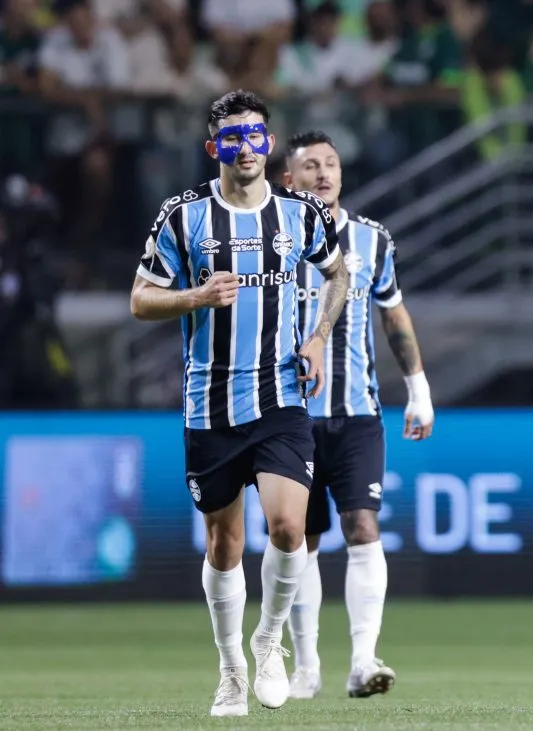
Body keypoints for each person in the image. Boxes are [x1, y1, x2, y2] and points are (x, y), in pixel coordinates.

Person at [129, 90, 349, 718]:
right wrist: (196, 298)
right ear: (213, 149)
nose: (246, 148)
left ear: (269, 144)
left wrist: (317, 336)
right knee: (225, 545)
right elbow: (141, 299)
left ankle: (269, 640)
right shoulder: (183, 216)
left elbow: (338, 274)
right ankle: (229, 671)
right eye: (232, 139)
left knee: (287, 527)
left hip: (281, 395)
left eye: (256, 136)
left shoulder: (301, 215)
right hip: (210, 402)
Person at [281, 130, 435, 700]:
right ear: (287, 181)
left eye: (331, 164)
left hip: (357, 414)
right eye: (309, 166)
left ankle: (363, 660)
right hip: (287, 417)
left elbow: (393, 315)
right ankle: (305, 667)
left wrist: (418, 389)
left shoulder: (371, 240)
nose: (323, 173)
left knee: (363, 527)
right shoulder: (271, 242)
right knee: (298, 539)